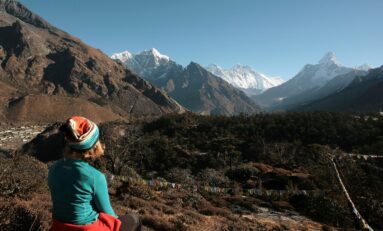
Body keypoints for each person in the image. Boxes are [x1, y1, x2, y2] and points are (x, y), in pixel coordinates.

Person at [48, 116, 141, 231]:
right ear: (93, 145)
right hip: (86, 229)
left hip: (59, 227)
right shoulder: (94, 177)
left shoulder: (54, 168)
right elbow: (109, 214)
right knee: (134, 220)